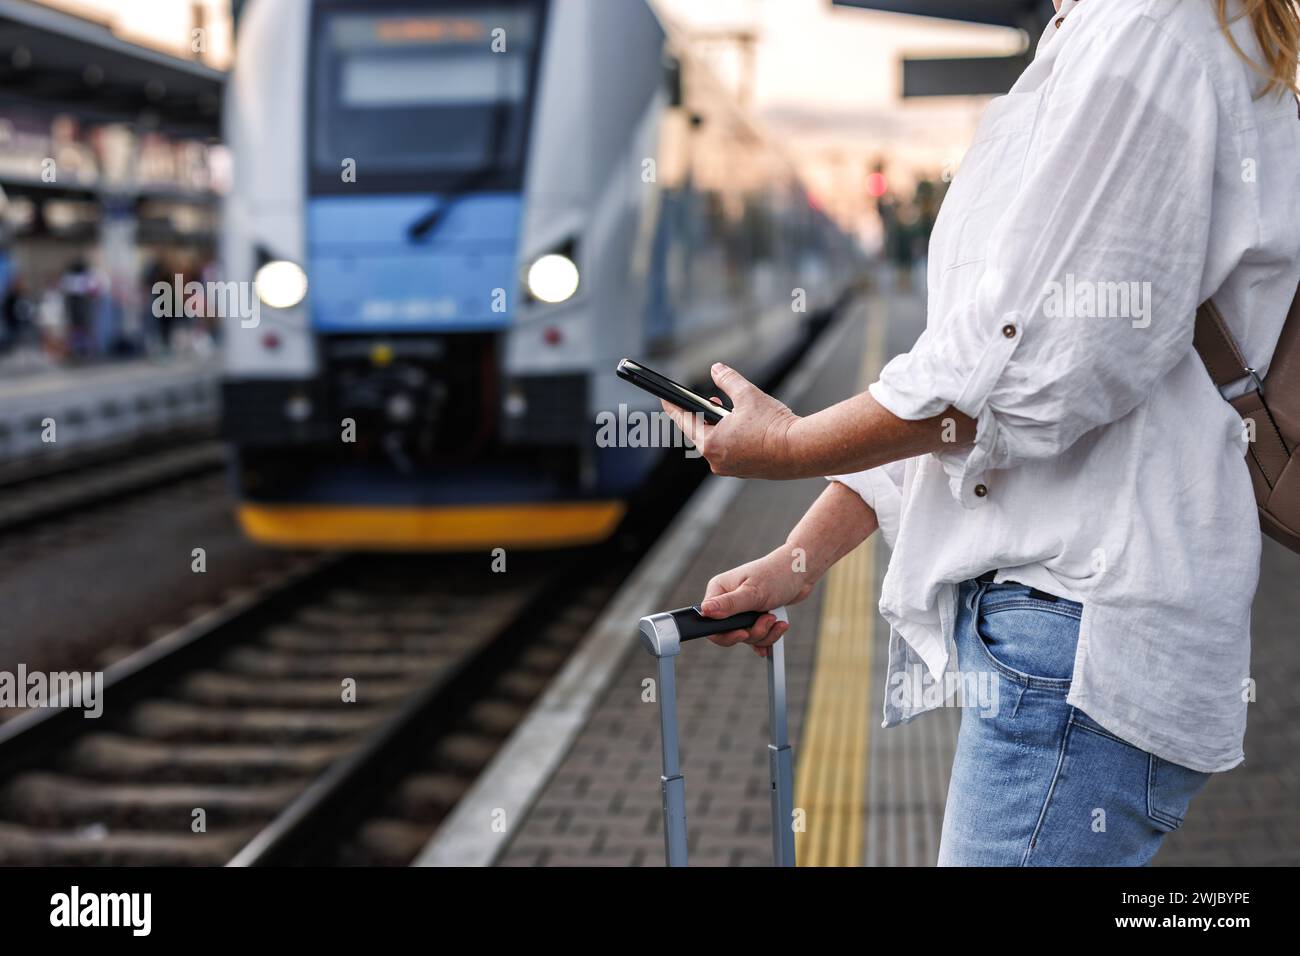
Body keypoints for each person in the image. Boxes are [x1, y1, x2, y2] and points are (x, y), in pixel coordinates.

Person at [662, 0, 1300, 865]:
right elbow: (964, 382)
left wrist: (790, 445)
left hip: (1079, 644)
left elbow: (1030, 372)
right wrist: (796, 562)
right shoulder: (1100, 31)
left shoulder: (1148, 27)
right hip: (1048, 637)